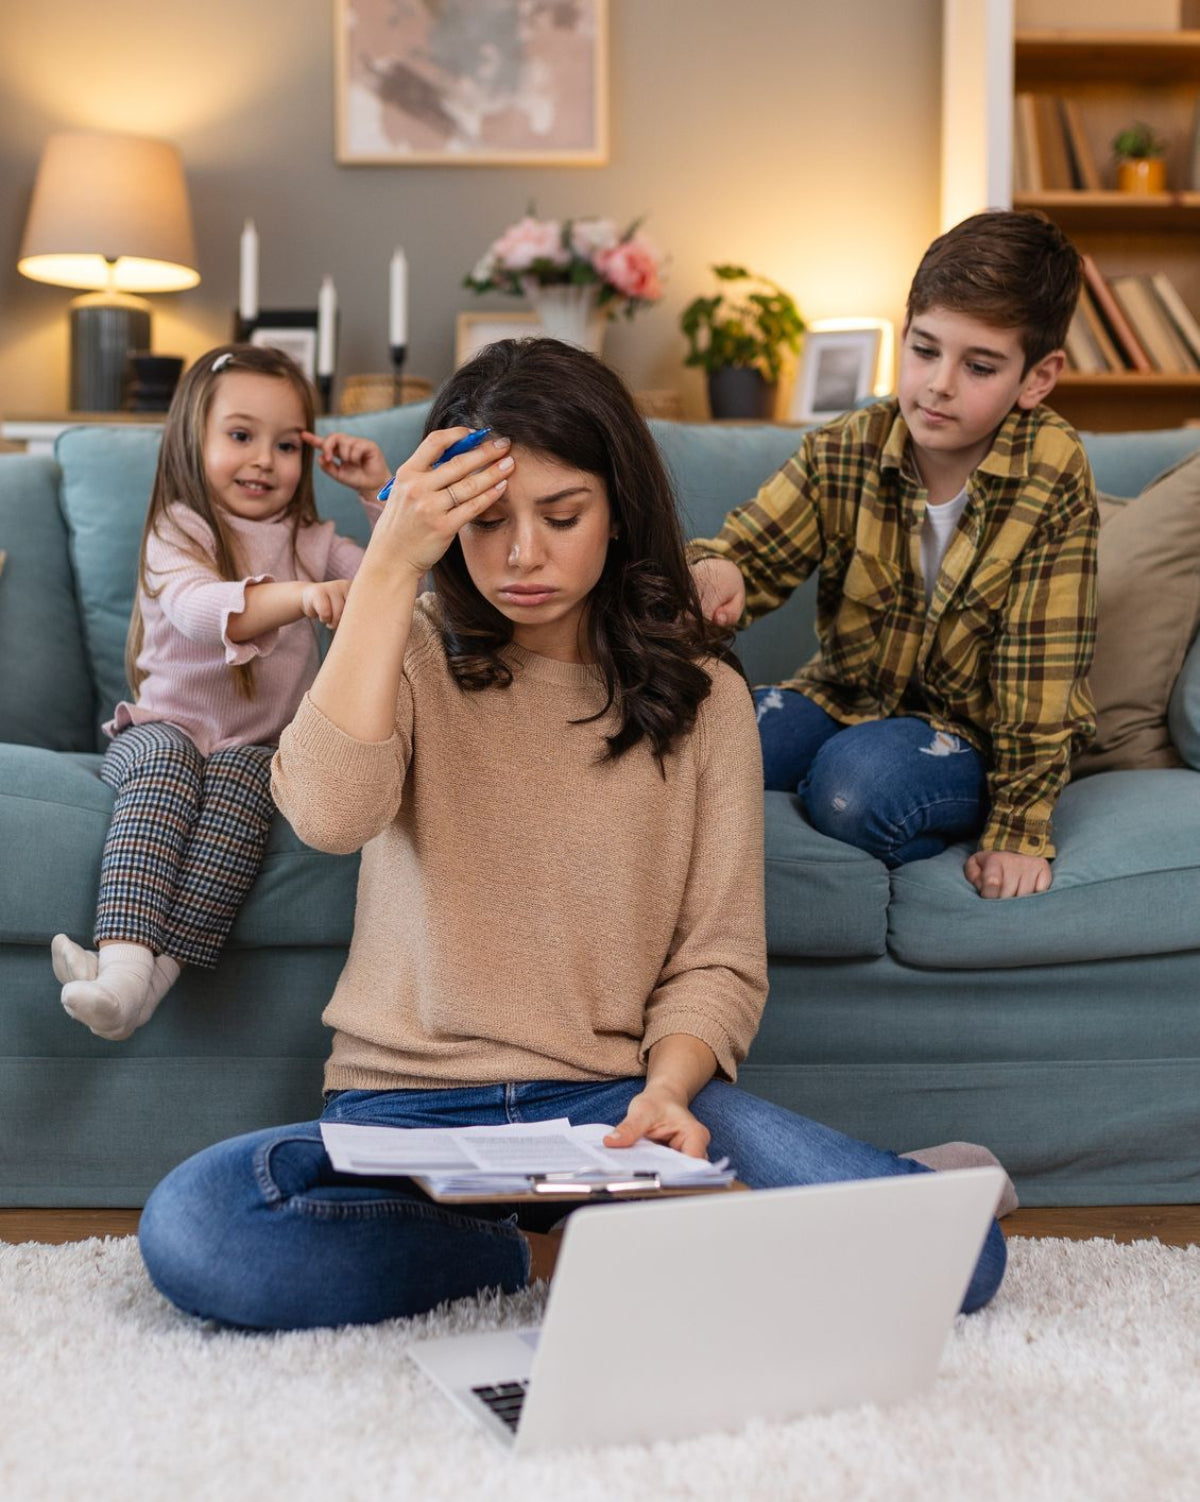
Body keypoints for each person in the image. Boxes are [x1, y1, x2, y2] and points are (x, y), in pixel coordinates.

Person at [136, 338, 1009, 1332]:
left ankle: (741, 1210)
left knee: (962, 1258)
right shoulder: (407, 648)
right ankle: (532, 1246)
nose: (522, 556)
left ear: (618, 510)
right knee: (201, 1228)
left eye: (562, 515)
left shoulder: (707, 695)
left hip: (613, 1110)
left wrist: (670, 1093)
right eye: (486, 520)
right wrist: (387, 571)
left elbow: (717, 958)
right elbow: (331, 813)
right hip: (404, 1112)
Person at [690, 210, 1098, 900]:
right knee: (702, 734)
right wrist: (717, 573)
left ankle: (852, 781)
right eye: (925, 349)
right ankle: (834, 763)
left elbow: (1041, 676)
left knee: (857, 789)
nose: (938, 384)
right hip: (843, 698)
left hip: (971, 736)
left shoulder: (1052, 474)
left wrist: (1018, 832)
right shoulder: (848, 445)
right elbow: (750, 555)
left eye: (980, 366)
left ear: (1037, 377)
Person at [51, 342, 392, 1041]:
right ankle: (120, 965)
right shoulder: (180, 529)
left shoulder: (314, 539)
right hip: (158, 729)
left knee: (246, 780)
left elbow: (398, 584)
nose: (265, 459)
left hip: (254, 746)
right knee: (169, 762)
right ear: (193, 438)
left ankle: (143, 991)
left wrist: (379, 494)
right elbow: (200, 610)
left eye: (287, 444)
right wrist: (301, 596)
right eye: (241, 436)